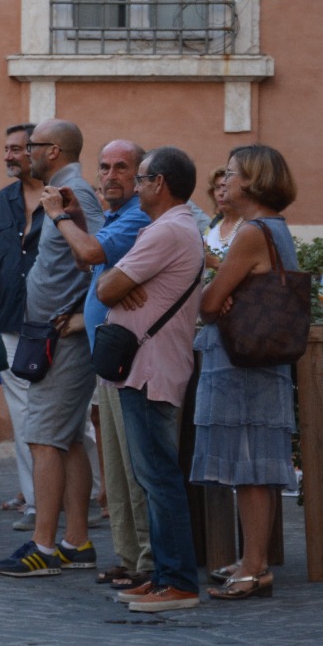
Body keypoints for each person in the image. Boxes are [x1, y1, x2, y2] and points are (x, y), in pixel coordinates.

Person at [95, 147, 206, 613]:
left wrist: (122, 283)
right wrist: (124, 283)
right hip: (148, 366)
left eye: (140, 178)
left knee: (158, 477)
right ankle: (164, 575)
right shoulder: (174, 227)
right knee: (152, 476)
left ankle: (178, 581)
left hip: (150, 369)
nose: (136, 187)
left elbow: (105, 287)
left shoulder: (167, 230)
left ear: (159, 183)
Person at [0, 119, 103, 579]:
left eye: (31, 146)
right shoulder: (64, 191)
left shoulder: (76, 194)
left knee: (41, 438)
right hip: (52, 333)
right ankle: (76, 542)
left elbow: (101, 254)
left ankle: (43, 546)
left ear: (53, 150)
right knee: (67, 440)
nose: (25, 153)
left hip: (63, 339)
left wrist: (82, 316)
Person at [191, 145, 301, 601]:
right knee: (256, 464)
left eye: (234, 172)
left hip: (243, 361)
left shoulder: (252, 232)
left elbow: (210, 304)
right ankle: (253, 560)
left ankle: (254, 568)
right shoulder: (275, 228)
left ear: (253, 182)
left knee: (251, 466)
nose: (226, 179)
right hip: (258, 358)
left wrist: (214, 289)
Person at [55, 139, 155, 590]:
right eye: (105, 167)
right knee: (114, 468)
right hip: (109, 359)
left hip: (131, 360)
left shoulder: (137, 217)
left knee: (134, 470)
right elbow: (87, 259)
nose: (111, 175)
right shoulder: (115, 216)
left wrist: (59, 218)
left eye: (122, 167)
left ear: (142, 175)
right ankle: (129, 557)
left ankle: (147, 562)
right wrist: (79, 219)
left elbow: (93, 255)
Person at [0, 125, 43, 526]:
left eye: (16, 149)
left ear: (36, 152)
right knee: (22, 417)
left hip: (54, 324)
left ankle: (93, 490)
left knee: (71, 419)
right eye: (6, 149)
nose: (8, 156)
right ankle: (37, 501)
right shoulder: (1, 201)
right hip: (9, 322)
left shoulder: (64, 199)